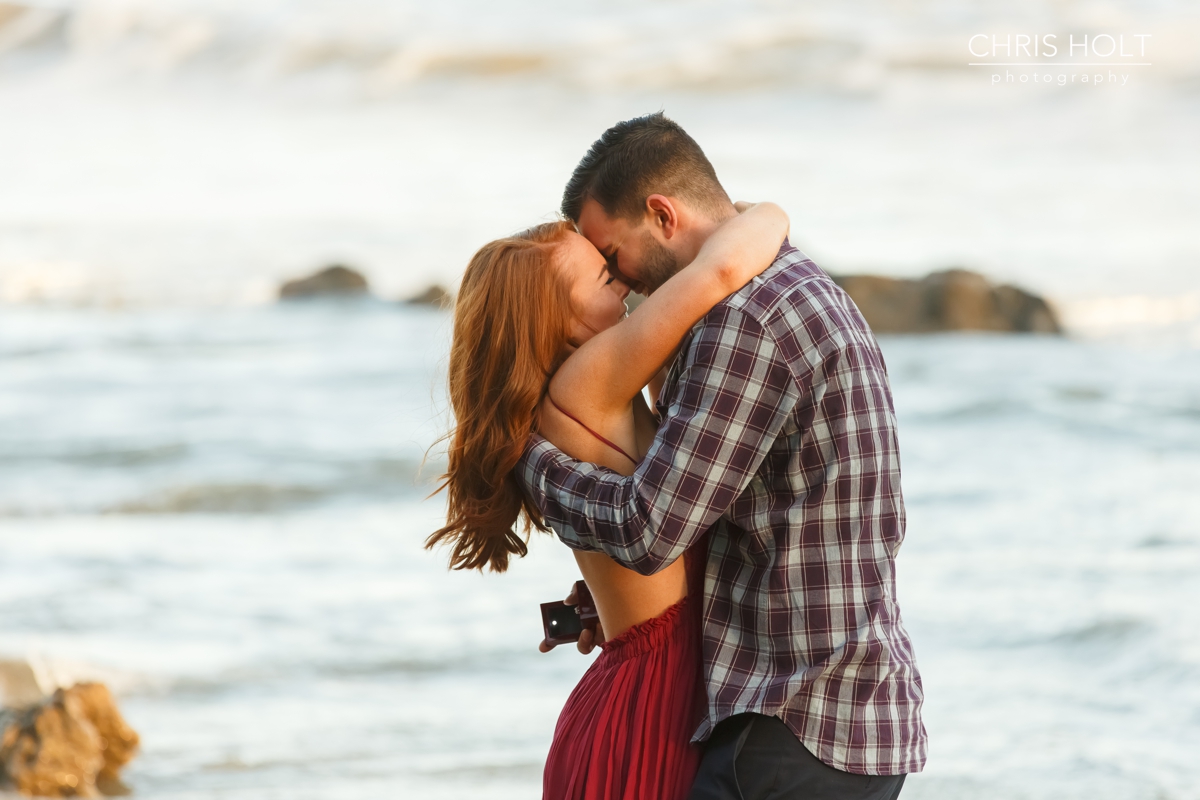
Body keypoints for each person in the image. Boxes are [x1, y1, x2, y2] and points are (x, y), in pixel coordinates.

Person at [517, 113, 927, 800]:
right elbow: (747, 514)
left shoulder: (744, 324)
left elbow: (650, 530)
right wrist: (616, 604)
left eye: (613, 257)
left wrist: (530, 466)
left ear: (661, 215)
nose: (618, 285)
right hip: (838, 716)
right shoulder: (788, 286)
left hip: (792, 726)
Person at [427, 198, 791, 798]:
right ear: (556, 317)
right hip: (653, 707)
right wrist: (766, 213)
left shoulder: (584, 391)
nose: (623, 284)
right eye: (604, 276)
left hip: (644, 689)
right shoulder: (588, 379)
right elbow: (717, 274)